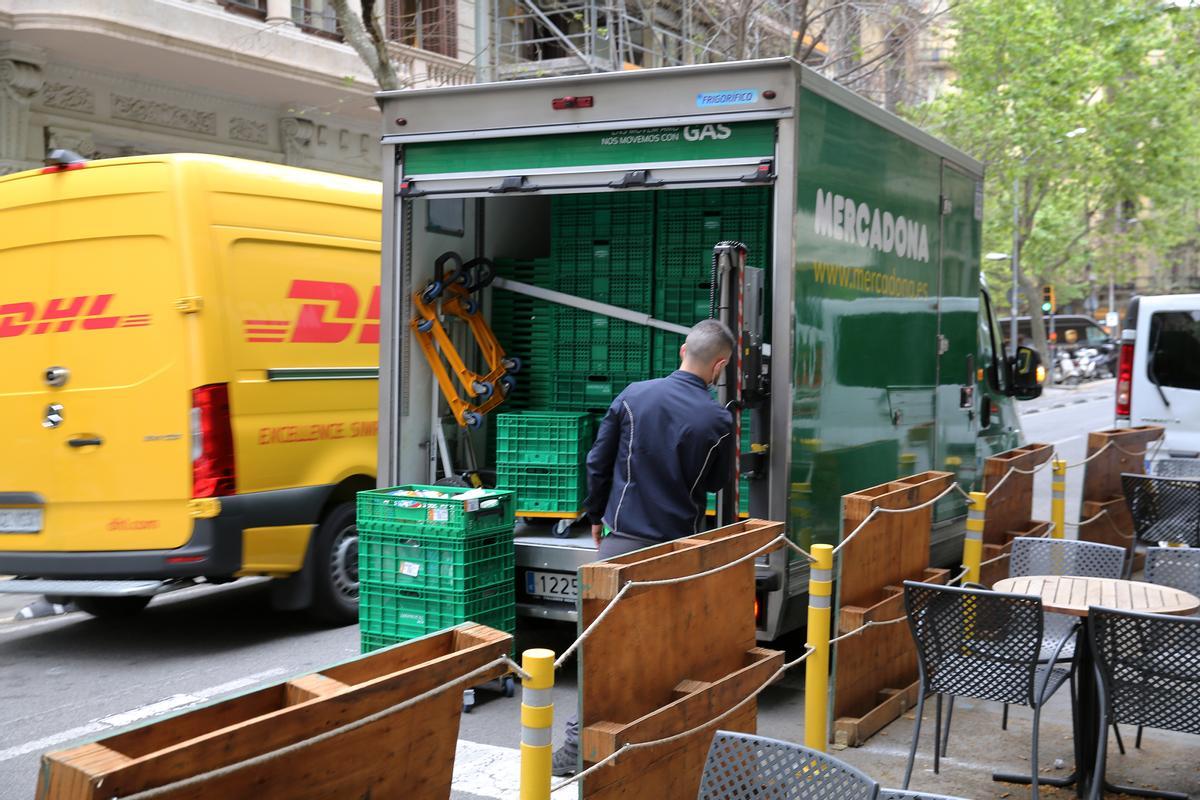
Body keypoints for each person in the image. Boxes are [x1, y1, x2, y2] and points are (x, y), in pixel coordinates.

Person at [550, 318, 738, 777]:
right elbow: (715, 485)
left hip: (621, 545)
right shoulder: (717, 419)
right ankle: (659, 741)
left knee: (602, 649)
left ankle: (576, 746)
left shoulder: (633, 396)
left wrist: (595, 516)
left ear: (681, 351)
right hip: (678, 554)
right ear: (720, 364)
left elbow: (598, 460)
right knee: (668, 649)